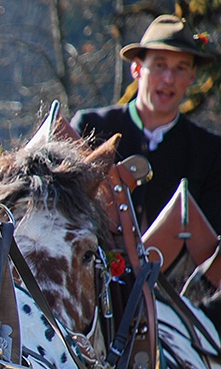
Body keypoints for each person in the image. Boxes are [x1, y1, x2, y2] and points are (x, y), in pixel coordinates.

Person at [70, 14, 221, 231]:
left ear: (191, 77)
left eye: (180, 68)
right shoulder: (90, 127)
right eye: (160, 65)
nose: (169, 79)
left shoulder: (210, 153)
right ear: (137, 69)